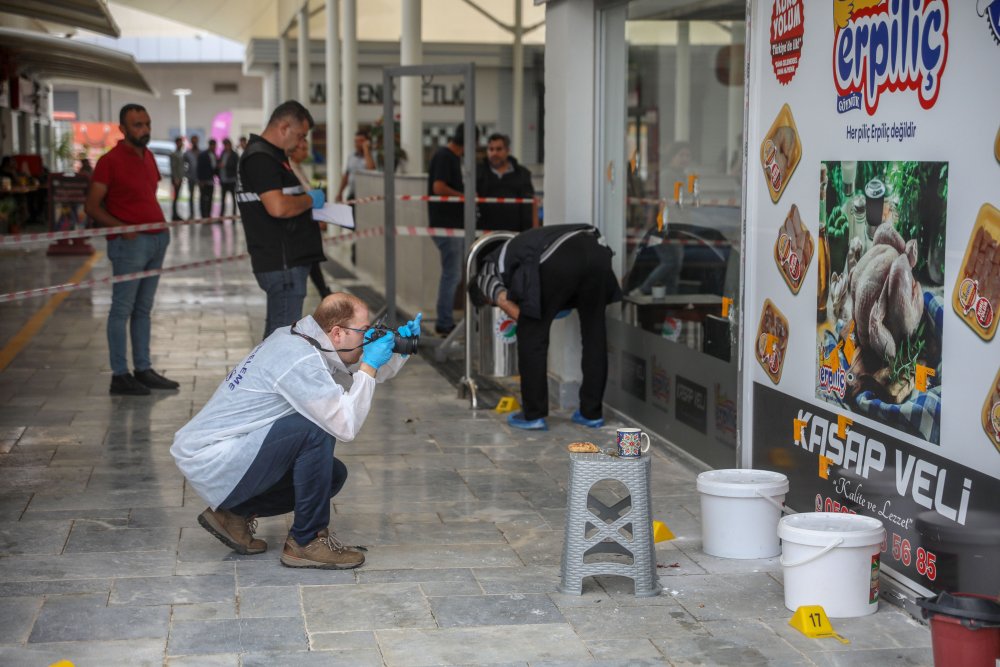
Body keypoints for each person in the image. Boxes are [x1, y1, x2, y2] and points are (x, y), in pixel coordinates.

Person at [171, 293, 421, 569]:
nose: (369, 338)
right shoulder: (298, 359)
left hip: (228, 449)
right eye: (365, 331)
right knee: (316, 430)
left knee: (331, 475)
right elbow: (345, 425)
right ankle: (306, 541)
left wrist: (398, 351)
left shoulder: (303, 339)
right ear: (337, 333)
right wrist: (369, 364)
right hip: (214, 458)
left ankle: (233, 514)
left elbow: (347, 374)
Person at [473, 224, 622, 430]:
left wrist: (529, 322)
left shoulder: (485, 273)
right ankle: (591, 413)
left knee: (531, 338)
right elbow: (561, 297)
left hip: (559, 256)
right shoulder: (519, 249)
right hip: (596, 252)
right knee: (594, 334)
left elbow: (506, 302)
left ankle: (532, 415)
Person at [84, 103, 180, 396]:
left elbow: (146, 196)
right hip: (131, 244)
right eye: (137, 125)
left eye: (147, 124)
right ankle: (120, 374)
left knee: (143, 309)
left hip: (156, 239)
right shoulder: (109, 161)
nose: (144, 130)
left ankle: (143, 368)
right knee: (122, 308)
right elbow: (92, 206)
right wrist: (124, 230)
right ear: (123, 129)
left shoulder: (148, 156)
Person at [237, 100, 328, 339]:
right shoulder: (261, 158)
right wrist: (310, 200)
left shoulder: (272, 156)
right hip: (282, 263)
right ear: (284, 127)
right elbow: (277, 207)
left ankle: (265, 377)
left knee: (277, 339)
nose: (300, 143)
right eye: (300, 136)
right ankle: (267, 378)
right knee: (281, 343)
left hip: (287, 262)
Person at [426, 122, 476, 336]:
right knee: (452, 275)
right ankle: (444, 322)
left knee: (454, 274)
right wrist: (464, 197)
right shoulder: (446, 157)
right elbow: (438, 187)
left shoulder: (451, 157)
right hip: (447, 226)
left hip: (451, 226)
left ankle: (446, 320)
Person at [288, 136, 332, 299]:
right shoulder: (290, 169)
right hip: (300, 226)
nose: (307, 153)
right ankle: (321, 291)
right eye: (303, 149)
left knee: (313, 260)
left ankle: (323, 290)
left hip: (309, 222)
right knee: (308, 261)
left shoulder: (299, 167)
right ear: (293, 150)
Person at [475, 132, 538, 232]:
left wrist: (535, 231)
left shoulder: (522, 174)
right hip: (486, 233)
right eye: (491, 149)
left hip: (516, 234)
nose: (494, 153)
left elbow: (532, 203)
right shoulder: (478, 173)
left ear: (507, 151)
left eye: (499, 149)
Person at [335, 130, 376, 203]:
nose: (357, 144)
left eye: (361, 141)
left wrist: (366, 149)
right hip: (352, 194)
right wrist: (340, 192)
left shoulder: (373, 155)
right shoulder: (351, 156)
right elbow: (346, 175)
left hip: (367, 195)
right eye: (356, 141)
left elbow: (371, 170)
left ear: (367, 142)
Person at [197, 138, 218, 219]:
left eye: (215, 146)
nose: (214, 147)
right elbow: (199, 168)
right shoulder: (203, 155)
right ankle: (203, 215)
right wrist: (201, 180)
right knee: (203, 198)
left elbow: (214, 168)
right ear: (210, 145)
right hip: (204, 180)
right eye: (212, 145)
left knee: (210, 198)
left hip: (211, 180)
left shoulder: (214, 155)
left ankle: (208, 214)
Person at [218, 138, 239, 217]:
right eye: (224, 145)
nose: (225, 147)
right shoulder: (223, 153)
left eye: (227, 145)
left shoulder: (234, 155)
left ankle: (233, 214)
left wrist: (225, 165)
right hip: (223, 180)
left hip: (231, 180)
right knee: (222, 198)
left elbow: (235, 166)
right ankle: (221, 215)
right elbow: (219, 163)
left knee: (233, 198)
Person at [183, 135, 200, 220]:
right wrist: (186, 174)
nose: (195, 142)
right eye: (193, 141)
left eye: (196, 141)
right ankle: (191, 213)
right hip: (191, 177)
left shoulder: (201, 152)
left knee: (202, 196)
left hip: (200, 178)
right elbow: (184, 165)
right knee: (191, 196)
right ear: (191, 142)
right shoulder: (187, 153)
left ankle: (202, 213)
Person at [169, 136, 185, 221]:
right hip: (176, 179)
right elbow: (173, 167)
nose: (181, 144)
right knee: (175, 197)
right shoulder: (174, 154)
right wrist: (176, 178)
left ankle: (176, 213)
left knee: (177, 197)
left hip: (180, 178)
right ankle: (174, 214)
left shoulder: (181, 153)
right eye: (180, 142)